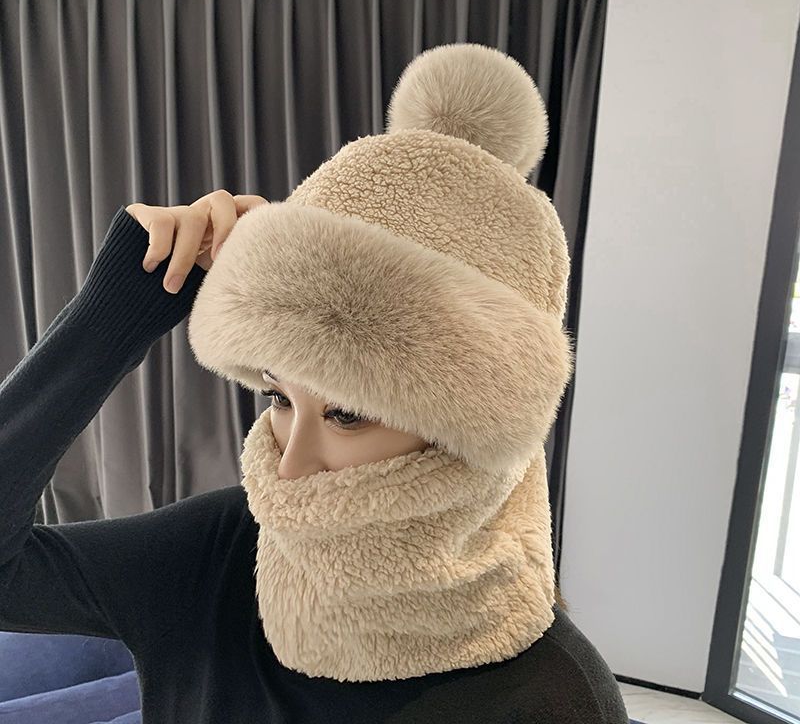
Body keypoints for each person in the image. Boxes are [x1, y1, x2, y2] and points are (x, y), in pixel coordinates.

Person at [0, 43, 630, 723]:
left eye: (347, 413)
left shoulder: (554, 697)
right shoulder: (219, 552)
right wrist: (120, 306)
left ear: (469, 429)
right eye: (278, 398)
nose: (290, 466)